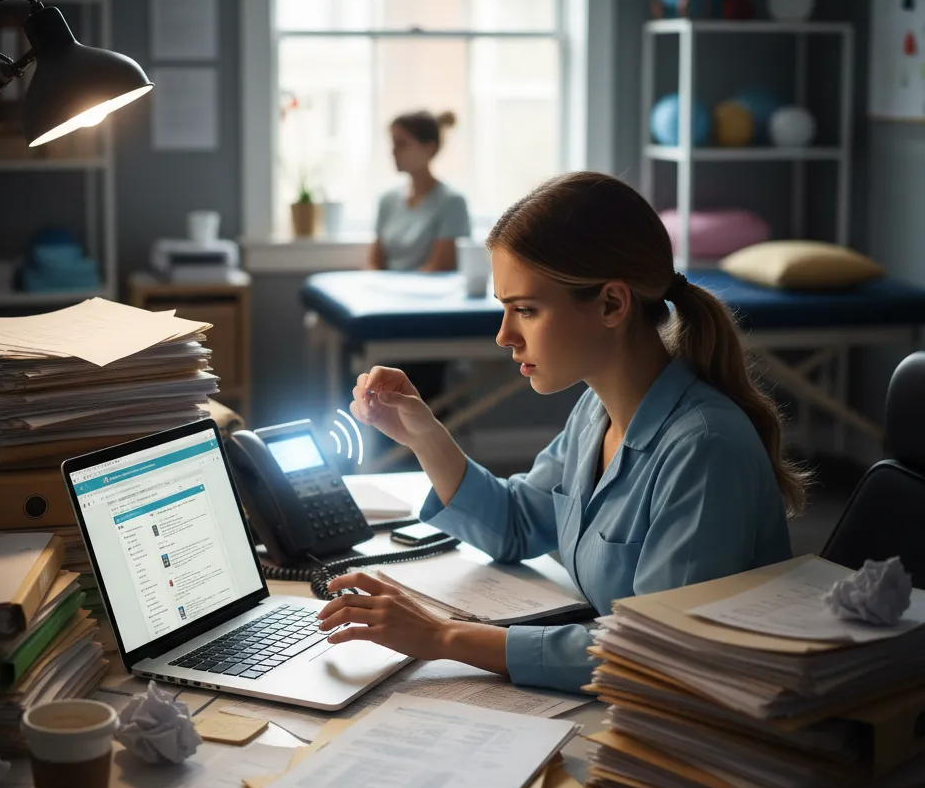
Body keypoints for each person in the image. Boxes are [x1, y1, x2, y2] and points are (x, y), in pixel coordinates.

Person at [319, 172, 806, 693]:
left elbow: (656, 654)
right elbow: (516, 524)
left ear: (612, 305)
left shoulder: (703, 447)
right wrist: (423, 434)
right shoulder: (596, 413)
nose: (504, 336)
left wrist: (443, 638)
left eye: (525, 310)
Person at [368, 110, 471, 274]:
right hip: (385, 292)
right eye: (393, 143)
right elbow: (374, 263)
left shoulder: (452, 203)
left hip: (424, 295)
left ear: (429, 148)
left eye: (402, 144)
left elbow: (439, 267)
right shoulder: (387, 200)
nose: (393, 151)